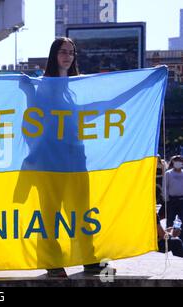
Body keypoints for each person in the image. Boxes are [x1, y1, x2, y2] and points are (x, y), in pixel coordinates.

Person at [41, 37, 116, 278]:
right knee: (50, 213)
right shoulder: (42, 85)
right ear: (54, 55)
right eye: (63, 51)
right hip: (51, 160)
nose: (67, 56)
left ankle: (89, 258)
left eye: (71, 52)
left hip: (76, 158)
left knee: (81, 211)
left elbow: (93, 109)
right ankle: (52, 262)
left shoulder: (78, 87)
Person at [164, 155, 183, 231]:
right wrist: (166, 198)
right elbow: (165, 186)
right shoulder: (168, 173)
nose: (178, 162)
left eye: (180, 161)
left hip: (182, 200)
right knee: (170, 220)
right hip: (171, 200)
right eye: (176, 161)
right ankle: (169, 237)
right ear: (173, 162)